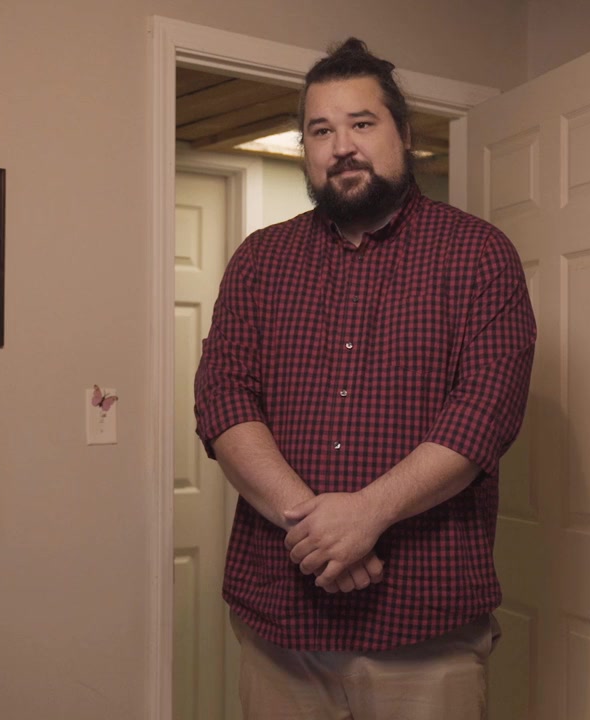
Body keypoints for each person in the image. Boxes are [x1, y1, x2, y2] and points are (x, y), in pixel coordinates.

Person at [194, 37, 535, 720]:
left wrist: (368, 512)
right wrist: (319, 527)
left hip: (425, 628)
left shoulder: (478, 254)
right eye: (320, 130)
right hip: (280, 627)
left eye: (361, 123)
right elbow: (223, 399)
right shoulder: (259, 261)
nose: (341, 146)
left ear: (403, 134)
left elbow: (484, 413)